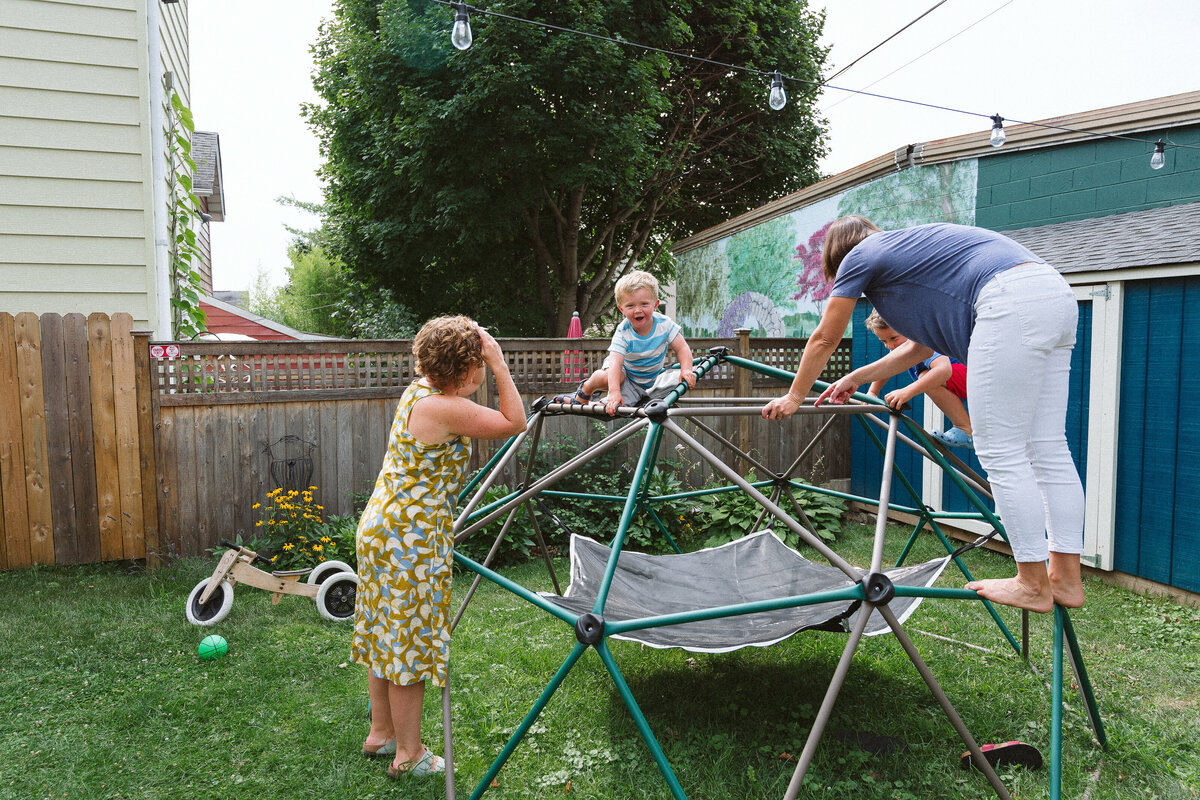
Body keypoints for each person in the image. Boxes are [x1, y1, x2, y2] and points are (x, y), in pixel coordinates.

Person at [762, 217, 1085, 613]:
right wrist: (857, 377)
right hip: (1054, 293)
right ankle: (1065, 578)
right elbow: (918, 348)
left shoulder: (862, 254)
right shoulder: (911, 259)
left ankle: (1032, 583)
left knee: (1001, 451)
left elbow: (826, 337)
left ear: (839, 256)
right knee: (1049, 448)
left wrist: (795, 396)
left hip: (1008, 300)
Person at [353, 316, 526, 778]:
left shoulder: (418, 393)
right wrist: (501, 362)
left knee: (386, 635)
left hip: (383, 528)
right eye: (480, 364)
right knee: (407, 645)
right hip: (409, 539)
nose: (484, 372)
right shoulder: (444, 408)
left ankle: (381, 732)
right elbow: (515, 421)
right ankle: (409, 756)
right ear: (467, 366)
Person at [555, 270, 696, 416]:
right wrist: (614, 391)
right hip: (620, 370)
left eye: (644, 304)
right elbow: (616, 363)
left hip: (640, 385)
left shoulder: (664, 324)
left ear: (655, 305)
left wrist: (686, 370)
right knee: (612, 379)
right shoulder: (623, 331)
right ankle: (586, 389)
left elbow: (682, 348)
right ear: (622, 309)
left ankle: (591, 402)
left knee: (614, 409)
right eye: (630, 306)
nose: (638, 310)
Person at [863, 309, 974, 449]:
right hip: (963, 382)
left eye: (893, 338)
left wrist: (906, 392)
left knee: (926, 376)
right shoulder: (899, 347)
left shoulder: (922, 341)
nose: (890, 346)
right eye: (883, 341)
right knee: (925, 377)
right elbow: (887, 368)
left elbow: (942, 369)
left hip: (971, 377)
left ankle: (964, 428)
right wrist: (873, 392)